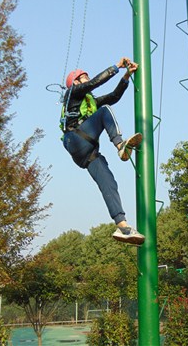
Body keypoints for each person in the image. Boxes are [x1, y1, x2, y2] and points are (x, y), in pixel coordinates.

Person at [61, 57, 145, 245]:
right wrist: (116, 66)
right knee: (105, 111)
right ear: (76, 82)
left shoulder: (90, 103)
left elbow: (113, 96)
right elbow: (94, 83)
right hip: (75, 139)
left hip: (85, 152)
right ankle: (119, 145)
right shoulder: (71, 93)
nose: (87, 79)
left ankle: (122, 226)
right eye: (84, 77)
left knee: (108, 182)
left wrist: (126, 76)